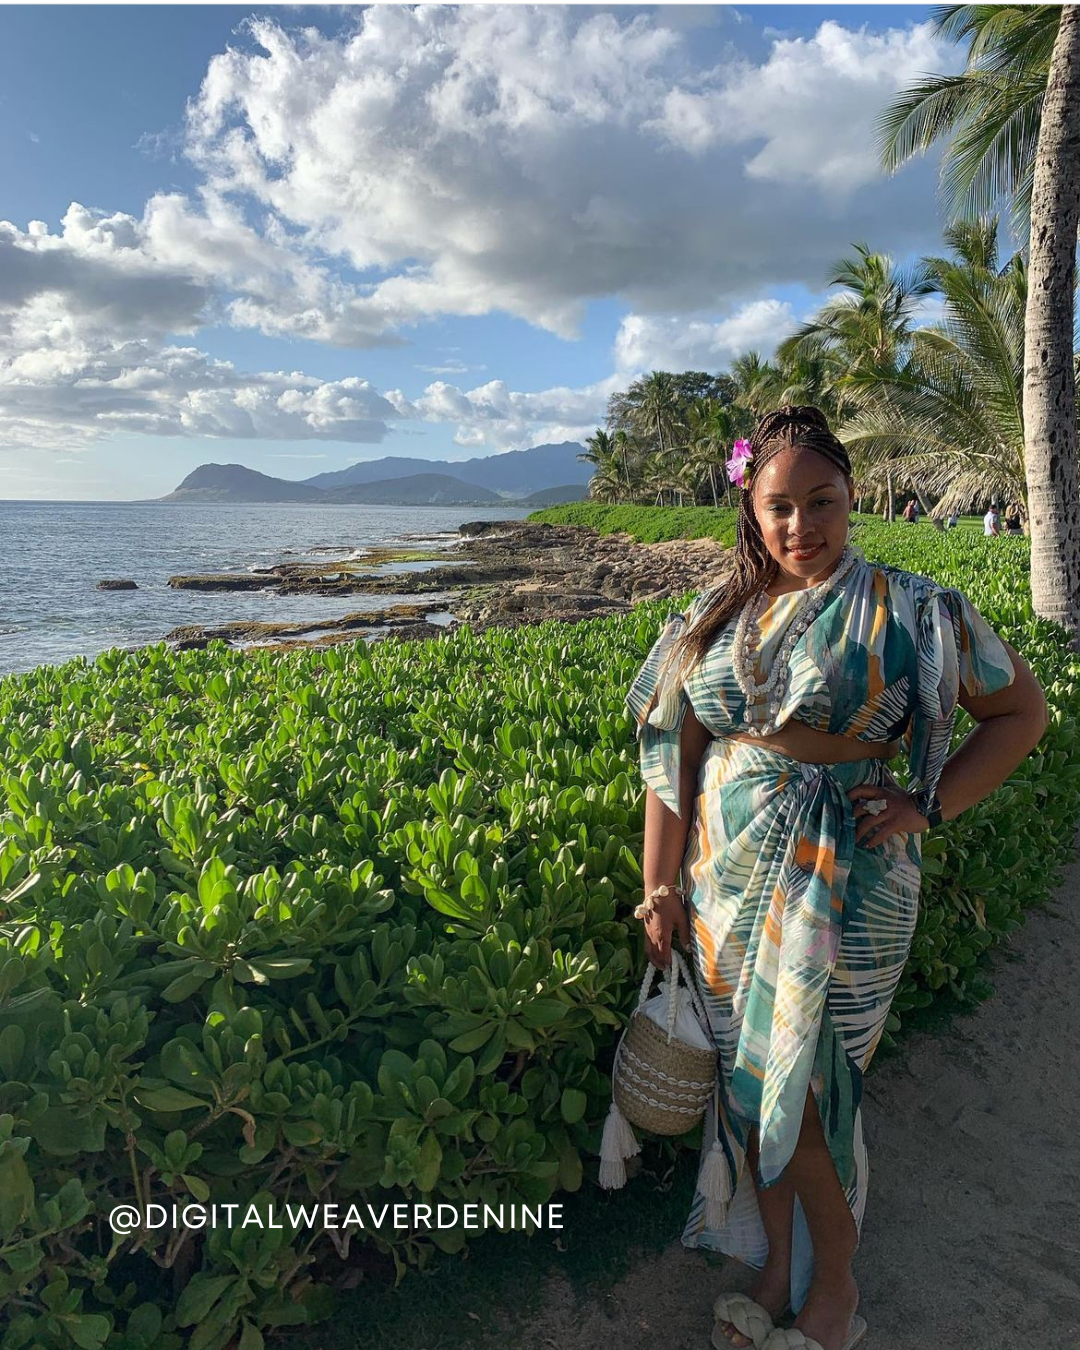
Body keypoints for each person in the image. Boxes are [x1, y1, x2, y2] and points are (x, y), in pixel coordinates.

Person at [623, 406, 1048, 1350]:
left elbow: (1022, 714)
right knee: (748, 1082)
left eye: (821, 502)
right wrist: (660, 888)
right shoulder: (713, 614)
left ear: (853, 496)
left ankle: (838, 1285)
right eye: (780, 506)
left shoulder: (914, 608)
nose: (801, 526)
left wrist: (926, 805)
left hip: (853, 879)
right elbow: (670, 760)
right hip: (723, 882)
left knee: (812, 1088)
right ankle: (779, 1266)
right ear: (750, 507)